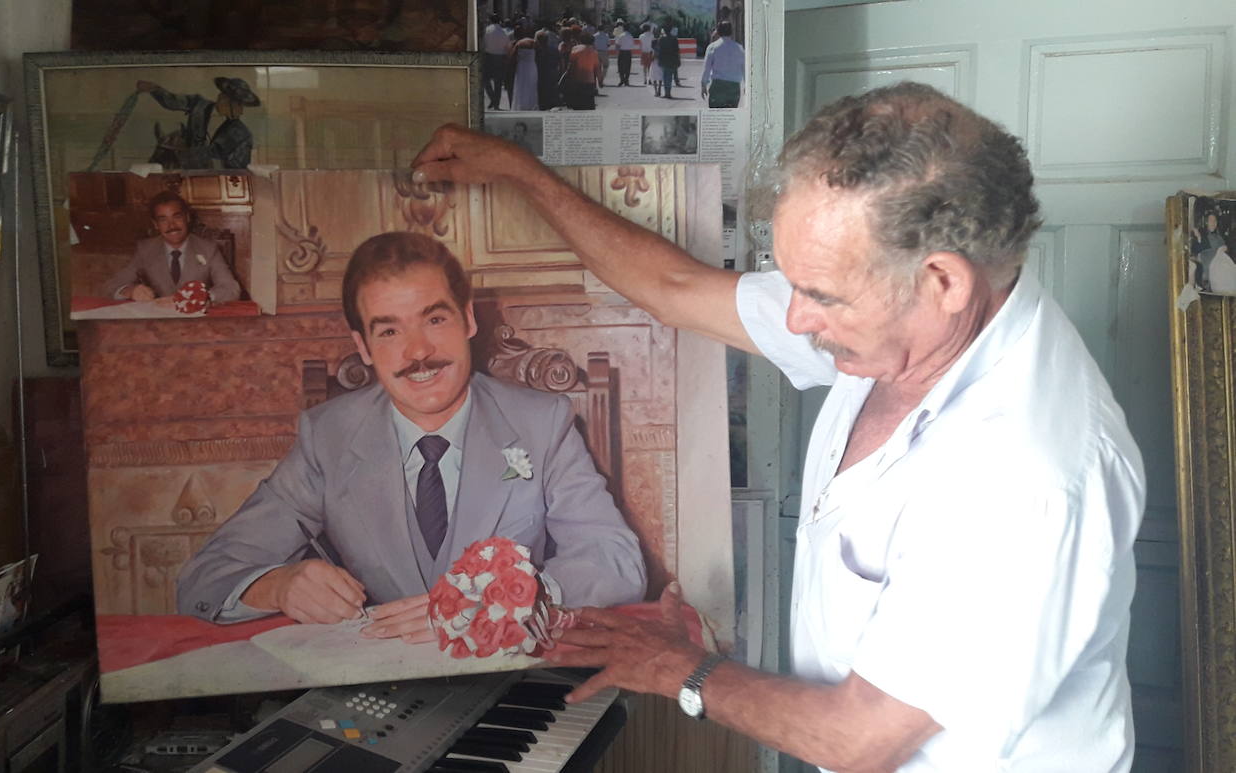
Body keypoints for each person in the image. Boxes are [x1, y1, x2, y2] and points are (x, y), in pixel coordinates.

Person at [411, 81, 1145, 771]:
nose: (794, 320)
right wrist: (520, 173)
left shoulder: (1023, 471)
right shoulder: (903, 320)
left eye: (820, 294)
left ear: (943, 280)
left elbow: (861, 736)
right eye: (790, 282)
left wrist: (680, 669)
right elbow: (675, 290)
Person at [176, 231, 646, 640]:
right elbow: (203, 579)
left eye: (435, 319)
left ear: (468, 319)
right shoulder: (328, 437)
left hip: (506, 677)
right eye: (388, 331)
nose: (418, 352)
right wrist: (278, 586)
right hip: (380, 691)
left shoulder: (543, 423)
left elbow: (615, 559)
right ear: (361, 346)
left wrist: (508, 595)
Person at [102, 190, 241, 303]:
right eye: (163, 220)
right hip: (158, 324)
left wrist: (202, 297)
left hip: (196, 321)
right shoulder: (145, 249)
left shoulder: (208, 248)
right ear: (155, 224)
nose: (172, 226)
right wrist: (130, 291)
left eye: (177, 217)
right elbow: (110, 286)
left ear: (187, 218)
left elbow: (231, 288)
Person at [137, 77, 259, 169]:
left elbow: (215, 154)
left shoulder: (240, 133)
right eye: (238, 104)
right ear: (222, 98)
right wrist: (154, 89)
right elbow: (172, 101)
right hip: (187, 171)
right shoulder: (198, 105)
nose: (241, 111)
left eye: (242, 105)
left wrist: (180, 154)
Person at [700, 20, 745, 108]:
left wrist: (703, 85)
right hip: (734, 87)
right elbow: (744, 68)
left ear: (719, 32)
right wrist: (746, 85)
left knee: (717, 118)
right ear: (731, 32)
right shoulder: (739, 48)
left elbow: (707, 69)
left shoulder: (712, 47)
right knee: (731, 118)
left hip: (718, 87)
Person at [564, 29, 601, 110]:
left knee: (577, 107)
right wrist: (600, 81)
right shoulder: (594, 52)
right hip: (589, 82)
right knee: (588, 107)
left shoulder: (575, 49)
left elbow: (570, 66)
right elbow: (597, 68)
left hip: (576, 81)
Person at [481, 13, 511, 110]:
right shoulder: (504, 32)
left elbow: (483, 44)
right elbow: (507, 47)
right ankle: (496, 103)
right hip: (501, 57)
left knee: (485, 80)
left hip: (489, 56)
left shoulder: (487, 30)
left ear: (490, 20)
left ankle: (493, 99)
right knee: (498, 82)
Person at [507, 26, 539, 111]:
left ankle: (521, 105)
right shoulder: (534, 42)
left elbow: (512, 56)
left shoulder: (519, 43)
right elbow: (539, 54)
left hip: (521, 66)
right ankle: (531, 105)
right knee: (531, 86)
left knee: (521, 86)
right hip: (532, 66)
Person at [535, 28, 562, 110]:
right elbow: (559, 62)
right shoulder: (553, 49)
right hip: (552, 74)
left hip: (540, 74)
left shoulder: (536, 50)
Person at [657, 25, 681, 98]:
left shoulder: (661, 39)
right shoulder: (674, 39)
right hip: (672, 59)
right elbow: (677, 51)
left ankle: (666, 92)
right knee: (669, 77)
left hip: (663, 59)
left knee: (665, 76)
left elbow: (659, 50)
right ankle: (668, 93)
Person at [614, 22, 634, 87]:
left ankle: (622, 80)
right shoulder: (631, 36)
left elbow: (617, 44)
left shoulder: (621, 35)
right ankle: (626, 80)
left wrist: (617, 51)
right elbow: (632, 45)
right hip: (628, 52)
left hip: (622, 52)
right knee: (628, 66)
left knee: (620, 66)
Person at [593, 24, 611, 89]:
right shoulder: (606, 35)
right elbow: (608, 44)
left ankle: (596, 81)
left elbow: (592, 44)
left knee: (597, 67)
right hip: (603, 52)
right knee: (605, 66)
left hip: (596, 52)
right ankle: (601, 79)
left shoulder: (594, 36)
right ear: (603, 29)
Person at [638, 23, 656, 91]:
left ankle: (645, 79)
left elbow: (640, 44)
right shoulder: (652, 35)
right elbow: (653, 44)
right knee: (650, 67)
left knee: (644, 67)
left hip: (644, 52)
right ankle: (650, 79)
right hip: (650, 52)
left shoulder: (641, 36)